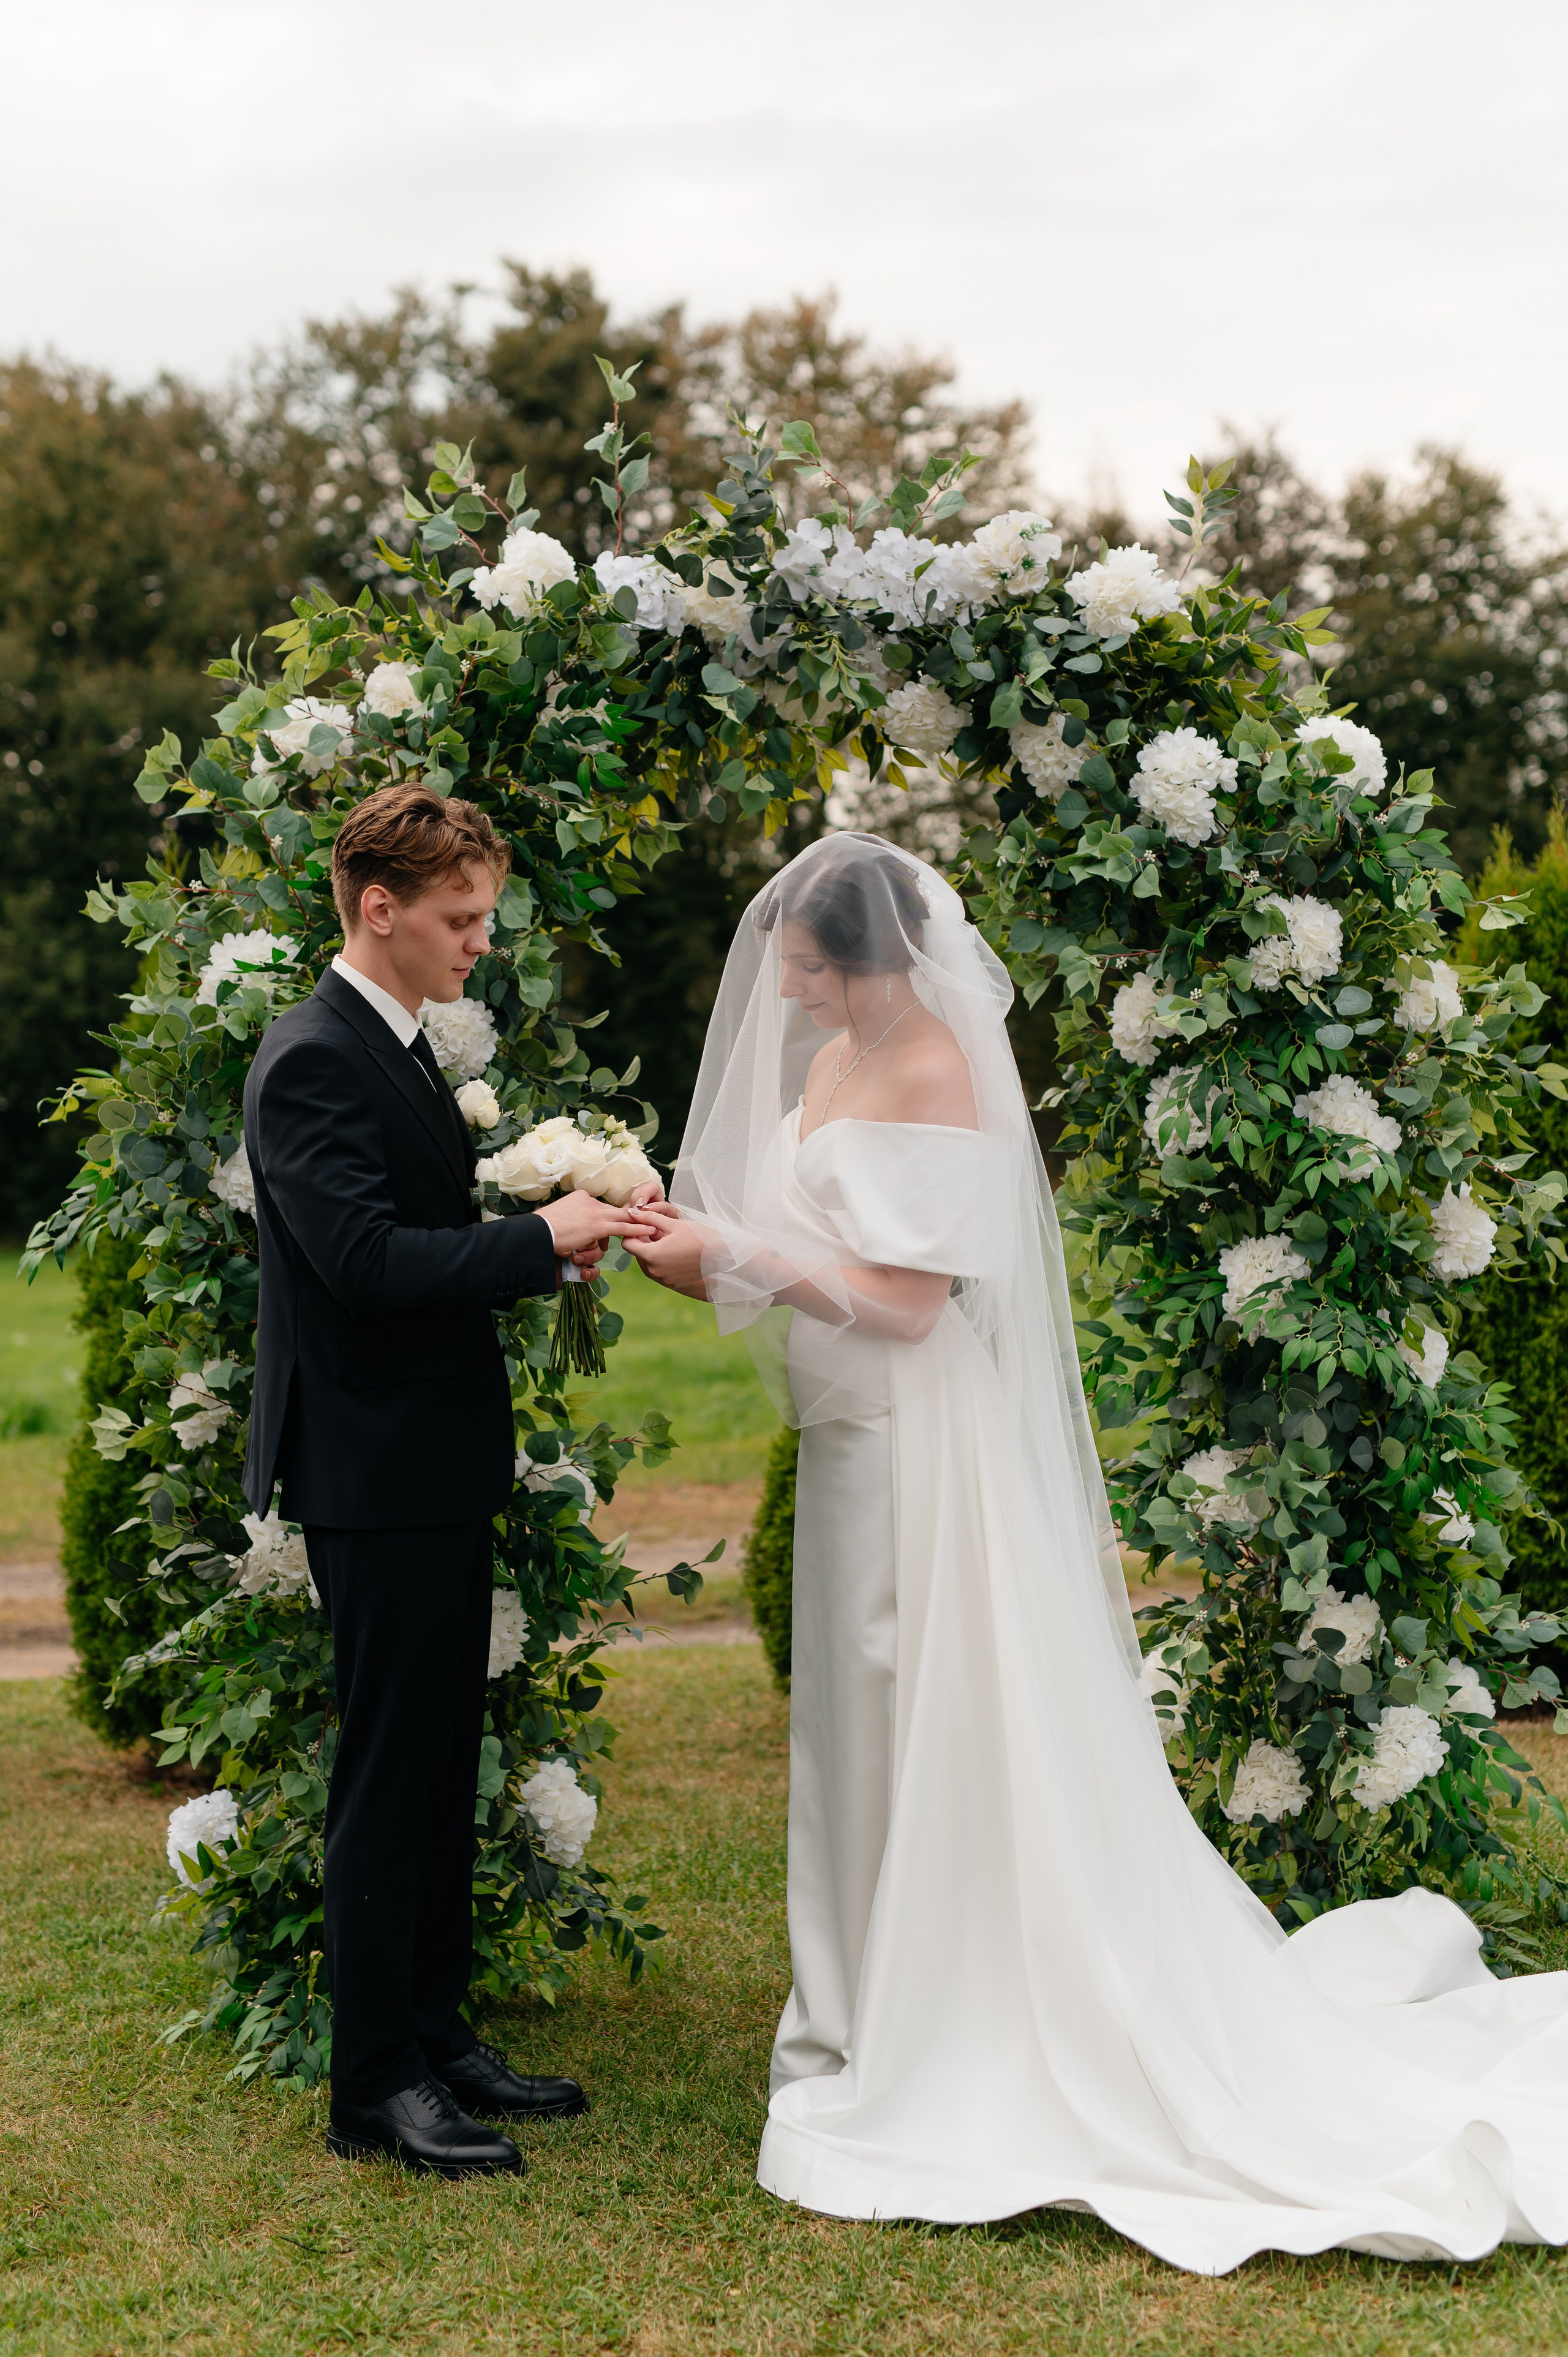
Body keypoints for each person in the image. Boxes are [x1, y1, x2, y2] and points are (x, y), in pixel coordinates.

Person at [625, 829, 1568, 2276]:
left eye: (806, 966)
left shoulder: (938, 1069)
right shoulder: (825, 1065)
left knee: (927, 1715)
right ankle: (852, 2003)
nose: (790, 992)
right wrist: (695, 1231)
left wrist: (730, 1261)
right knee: (854, 1728)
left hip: (916, 1443)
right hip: (843, 1445)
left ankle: (935, 2012)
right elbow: (795, 1229)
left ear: (868, 958)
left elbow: (906, 1298)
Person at [243, 783, 656, 2179]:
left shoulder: (400, 1044)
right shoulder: (310, 1056)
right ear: (380, 909)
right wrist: (534, 1238)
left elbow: (418, 1233)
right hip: (373, 1467)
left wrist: (544, 1230)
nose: (480, 941)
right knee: (387, 1773)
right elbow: (361, 1265)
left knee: (435, 1772)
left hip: (429, 1454)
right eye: (460, 917)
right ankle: (373, 2086)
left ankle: (437, 2033)